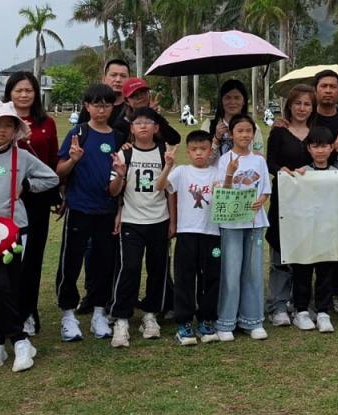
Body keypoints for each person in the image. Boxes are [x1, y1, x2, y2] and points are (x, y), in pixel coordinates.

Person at [0, 101, 59, 371]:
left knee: (12, 284)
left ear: (15, 130)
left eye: (8, 125)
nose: (2, 130)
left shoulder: (22, 157)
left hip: (16, 231)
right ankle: (19, 339)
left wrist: (27, 185)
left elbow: (51, 178)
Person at [55, 84, 124, 341]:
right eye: (96, 105)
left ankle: (98, 313)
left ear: (113, 107)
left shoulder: (118, 137)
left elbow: (121, 178)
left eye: (106, 105)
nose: (101, 110)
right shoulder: (78, 133)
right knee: (71, 261)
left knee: (104, 263)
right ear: (87, 106)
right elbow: (59, 170)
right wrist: (73, 159)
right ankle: (68, 314)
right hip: (79, 208)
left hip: (106, 210)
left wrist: (119, 210)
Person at [109, 108, 176, 348]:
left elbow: (170, 191)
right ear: (132, 128)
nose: (144, 126)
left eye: (149, 122)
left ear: (156, 128)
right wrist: (120, 175)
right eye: (139, 123)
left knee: (158, 268)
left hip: (158, 220)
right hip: (132, 221)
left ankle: (150, 313)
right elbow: (114, 192)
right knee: (130, 267)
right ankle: (121, 318)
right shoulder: (124, 153)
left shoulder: (163, 153)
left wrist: (173, 221)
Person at [3, 71, 59, 336]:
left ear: (36, 93)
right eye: (18, 90)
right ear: (9, 93)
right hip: (4, 198)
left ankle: (28, 313)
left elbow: (52, 161)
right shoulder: (0, 120)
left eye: (29, 90)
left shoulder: (46, 122)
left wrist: (57, 194)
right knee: (3, 257)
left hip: (37, 198)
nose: (24, 95)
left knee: (32, 258)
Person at [215, 115, 272, 341]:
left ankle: (252, 320)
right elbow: (223, 191)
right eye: (240, 131)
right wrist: (230, 172)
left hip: (254, 222)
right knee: (231, 271)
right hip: (231, 223)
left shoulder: (259, 160)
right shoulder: (224, 159)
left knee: (253, 270)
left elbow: (265, 189)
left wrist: (261, 200)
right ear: (231, 134)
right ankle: (226, 321)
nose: (245, 135)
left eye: (249, 131)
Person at [264, 85, 316, 327]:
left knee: (306, 254)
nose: (302, 108)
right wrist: (281, 170)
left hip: (311, 203)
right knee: (280, 253)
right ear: (289, 106)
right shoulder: (279, 132)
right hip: (283, 200)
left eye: (307, 104)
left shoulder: (317, 133)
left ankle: (301, 302)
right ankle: (278, 304)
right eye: (297, 103)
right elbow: (270, 162)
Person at [166, 130, 223, 345]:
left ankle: (207, 320)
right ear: (188, 152)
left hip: (212, 233)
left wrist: (223, 186)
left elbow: (225, 197)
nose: (199, 153)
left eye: (203, 149)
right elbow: (163, 187)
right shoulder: (181, 171)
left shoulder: (217, 173)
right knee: (185, 278)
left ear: (210, 151)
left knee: (211, 278)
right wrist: (168, 166)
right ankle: (184, 323)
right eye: (194, 149)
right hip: (187, 232)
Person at [288, 127, 338, 333]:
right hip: (305, 234)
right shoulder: (301, 173)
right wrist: (293, 177)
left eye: (325, 146)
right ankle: (301, 311)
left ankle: (323, 312)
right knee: (302, 272)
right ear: (309, 149)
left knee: (325, 273)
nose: (320, 151)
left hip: (328, 234)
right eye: (315, 146)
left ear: (332, 148)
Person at [119, 77, 182, 148]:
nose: (140, 97)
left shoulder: (155, 116)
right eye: (134, 95)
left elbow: (174, 139)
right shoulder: (122, 123)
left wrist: (152, 114)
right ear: (127, 101)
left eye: (143, 92)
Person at [207, 79, 252, 156]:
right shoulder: (208, 125)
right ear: (221, 101)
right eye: (228, 98)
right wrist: (216, 138)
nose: (232, 102)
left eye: (237, 98)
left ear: (244, 101)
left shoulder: (252, 128)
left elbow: (258, 158)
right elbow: (203, 160)